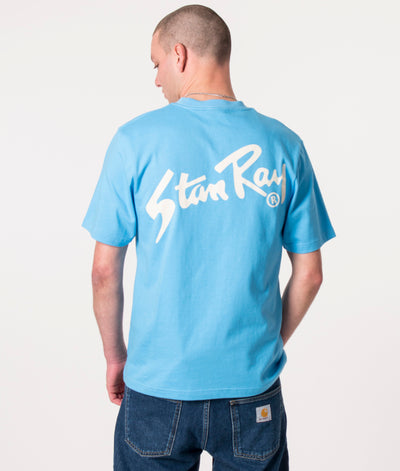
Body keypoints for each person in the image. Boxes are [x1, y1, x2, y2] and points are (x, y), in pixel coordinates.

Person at [82, 4, 336, 470]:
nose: (156, 79)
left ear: (179, 55)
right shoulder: (284, 145)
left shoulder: (134, 141)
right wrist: (266, 344)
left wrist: (115, 357)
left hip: (157, 385)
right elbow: (311, 274)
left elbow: (104, 271)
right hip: (251, 388)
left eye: (156, 64)